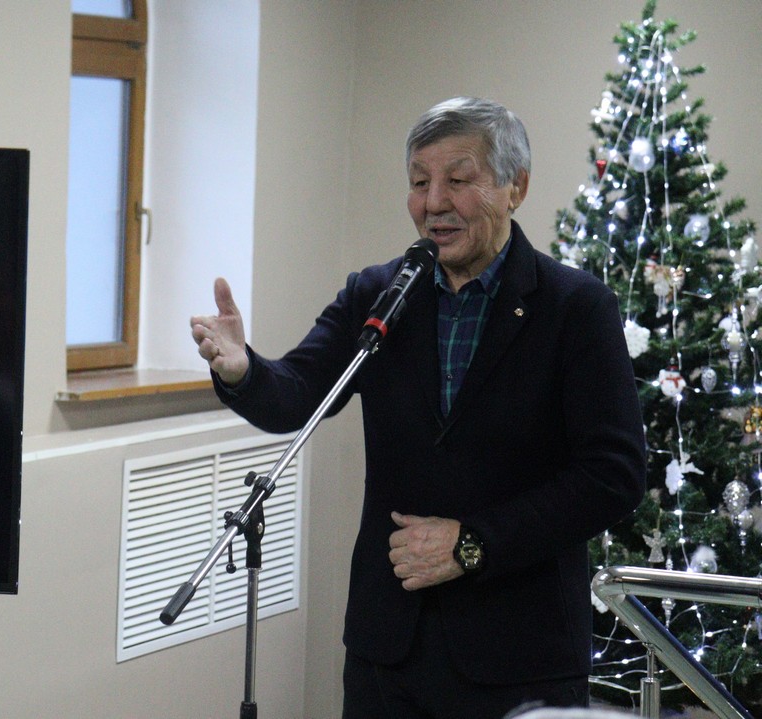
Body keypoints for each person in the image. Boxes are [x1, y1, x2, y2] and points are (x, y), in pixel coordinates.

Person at [190, 97, 646, 718]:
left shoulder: (575, 307)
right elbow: (298, 394)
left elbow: (613, 477)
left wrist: (472, 545)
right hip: (390, 648)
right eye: (418, 183)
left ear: (517, 187)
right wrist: (244, 370)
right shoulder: (378, 295)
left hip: (520, 652)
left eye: (459, 181)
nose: (434, 203)